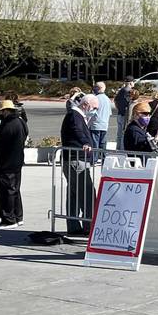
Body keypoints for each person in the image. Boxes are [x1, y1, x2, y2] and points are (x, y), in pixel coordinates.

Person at [60, 92, 97, 236]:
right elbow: (77, 131)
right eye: (94, 107)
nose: (95, 111)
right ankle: (88, 226)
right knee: (86, 193)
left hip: (74, 159)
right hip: (77, 160)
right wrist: (86, 142)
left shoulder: (76, 115)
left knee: (74, 193)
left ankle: (74, 225)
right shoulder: (75, 116)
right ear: (86, 104)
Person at [0, 100, 28, 228]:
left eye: (0, 111)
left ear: (5, 111)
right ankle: (18, 216)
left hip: (5, 163)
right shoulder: (20, 121)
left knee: (6, 191)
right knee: (14, 190)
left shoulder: (10, 124)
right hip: (16, 161)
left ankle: (8, 219)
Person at [90, 81, 112, 149]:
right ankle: (103, 158)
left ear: (99, 88)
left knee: (95, 144)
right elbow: (109, 113)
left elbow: (92, 112)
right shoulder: (108, 99)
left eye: (95, 87)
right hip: (104, 125)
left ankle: (95, 159)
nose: (94, 88)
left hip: (95, 125)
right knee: (102, 144)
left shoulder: (95, 98)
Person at [114, 78, 133, 149]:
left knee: (119, 134)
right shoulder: (129, 91)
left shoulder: (121, 90)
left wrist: (119, 108)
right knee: (123, 133)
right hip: (125, 115)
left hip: (119, 113)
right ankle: (122, 148)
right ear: (131, 83)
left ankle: (118, 147)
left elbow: (115, 101)